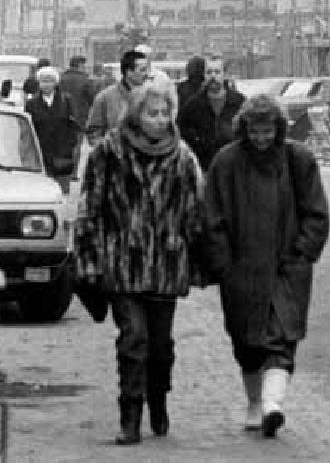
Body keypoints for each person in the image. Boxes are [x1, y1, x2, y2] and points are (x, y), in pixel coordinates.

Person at [75, 79, 204, 445]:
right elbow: (89, 208)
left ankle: (158, 398)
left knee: (160, 346)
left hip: (166, 264)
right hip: (122, 262)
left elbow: (196, 212)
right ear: (136, 115)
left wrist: (199, 259)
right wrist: (88, 260)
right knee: (134, 339)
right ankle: (130, 416)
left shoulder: (183, 157)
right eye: (152, 113)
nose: (160, 120)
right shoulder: (109, 153)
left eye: (165, 113)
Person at [204, 91, 330, 437]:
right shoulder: (226, 162)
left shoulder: (298, 160)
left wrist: (303, 253)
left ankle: (273, 404)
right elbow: (211, 217)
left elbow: (316, 214)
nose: (261, 138)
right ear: (244, 128)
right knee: (247, 342)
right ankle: (255, 403)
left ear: (278, 128)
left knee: (281, 337)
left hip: (286, 268)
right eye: (254, 131)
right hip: (241, 271)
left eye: (267, 130)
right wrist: (223, 263)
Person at [179, 54, 244, 171]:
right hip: (202, 166)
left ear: (225, 75)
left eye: (217, 72)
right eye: (209, 72)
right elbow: (183, 132)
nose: (213, 76)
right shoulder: (192, 105)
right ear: (204, 75)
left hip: (234, 166)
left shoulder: (239, 103)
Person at [25, 67, 82, 190]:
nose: (46, 84)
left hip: (62, 153)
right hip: (41, 152)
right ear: (39, 83)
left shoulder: (66, 100)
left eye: (49, 81)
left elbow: (73, 125)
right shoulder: (31, 103)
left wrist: (70, 145)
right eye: (43, 81)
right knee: (42, 189)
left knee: (61, 190)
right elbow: (27, 129)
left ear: (55, 83)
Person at [86, 47, 151, 140]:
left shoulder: (153, 96)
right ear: (129, 72)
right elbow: (93, 132)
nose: (147, 74)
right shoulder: (105, 98)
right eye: (142, 70)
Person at [60, 54, 97, 127]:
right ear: (80, 66)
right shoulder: (85, 80)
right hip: (80, 117)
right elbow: (93, 99)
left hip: (63, 116)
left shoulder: (61, 79)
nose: (85, 68)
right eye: (84, 66)